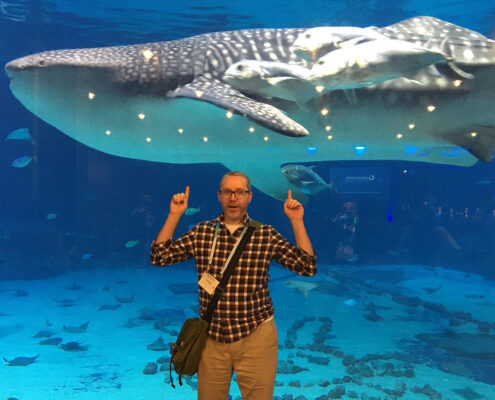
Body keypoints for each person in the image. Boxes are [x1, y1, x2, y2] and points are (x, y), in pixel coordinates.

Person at [150, 171, 316, 400]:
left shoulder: (265, 235)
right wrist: (174, 215)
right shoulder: (202, 232)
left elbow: (306, 267)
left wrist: (297, 220)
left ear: (249, 197)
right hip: (212, 337)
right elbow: (160, 257)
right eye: (227, 191)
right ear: (219, 196)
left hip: (256, 334)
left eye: (240, 192)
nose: (233, 197)